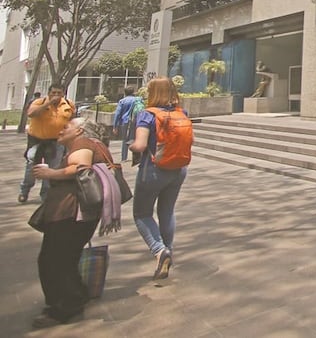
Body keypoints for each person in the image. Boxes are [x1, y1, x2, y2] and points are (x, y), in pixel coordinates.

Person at [29, 117, 112, 328]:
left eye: (67, 127)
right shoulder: (94, 144)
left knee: (53, 260)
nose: (61, 130)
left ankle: (63, 307)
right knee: (65, 258)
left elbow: (81, 167)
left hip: (71, 213)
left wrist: (51, 173)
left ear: (80, 130)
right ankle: (76, 295)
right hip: (77, 214)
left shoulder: (82, 143)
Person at [130, 76, 189, 280]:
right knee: (167, 211)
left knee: (142, 213)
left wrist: (130, 146)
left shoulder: (147, 115)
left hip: (154, 169)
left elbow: (140, 145)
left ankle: (159, 250)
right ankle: (168, 250)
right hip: (179, 168)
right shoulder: (182, 113)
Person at [19, 85, 75, 204]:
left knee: (52, 168)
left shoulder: (68, 104)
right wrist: (47, 104)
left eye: (58, 93)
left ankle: (46, 194)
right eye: (53, 93)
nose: (55, 95)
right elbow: (31, 113)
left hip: (57, 141)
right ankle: (25, 190)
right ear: (48, 93)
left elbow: (72, 121)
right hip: (37, 140)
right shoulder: (39, 102)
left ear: (63, 94)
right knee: (31, 165)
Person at [111, 86, 140, 162]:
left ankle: (124, 157)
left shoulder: (122, 101)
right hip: (135, 121)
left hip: (125, 121)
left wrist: (115, 126)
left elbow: (117, 114)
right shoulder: (137, 100)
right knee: (134, 138)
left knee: (125, 140)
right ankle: (136, 157)